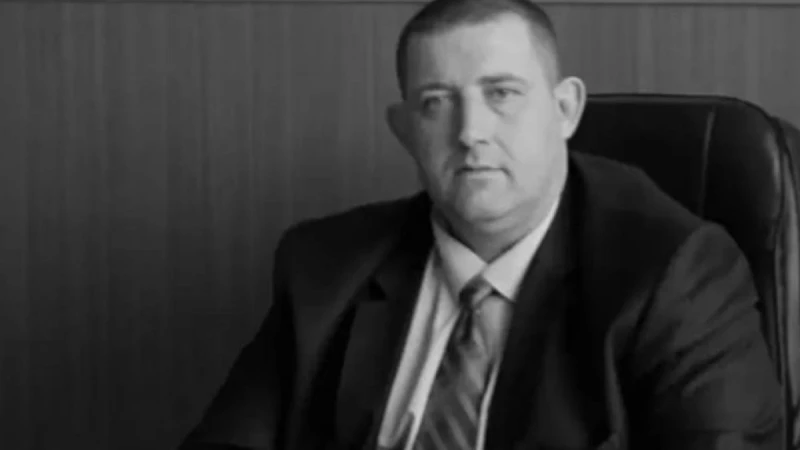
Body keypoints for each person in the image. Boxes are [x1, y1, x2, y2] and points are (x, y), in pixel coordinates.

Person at [178, 0, 783, 448]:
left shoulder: (675, 273)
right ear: (405, 130)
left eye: (502, 94)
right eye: (436, 103)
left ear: (565, 109)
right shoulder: (324, 268)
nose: (470, 132)